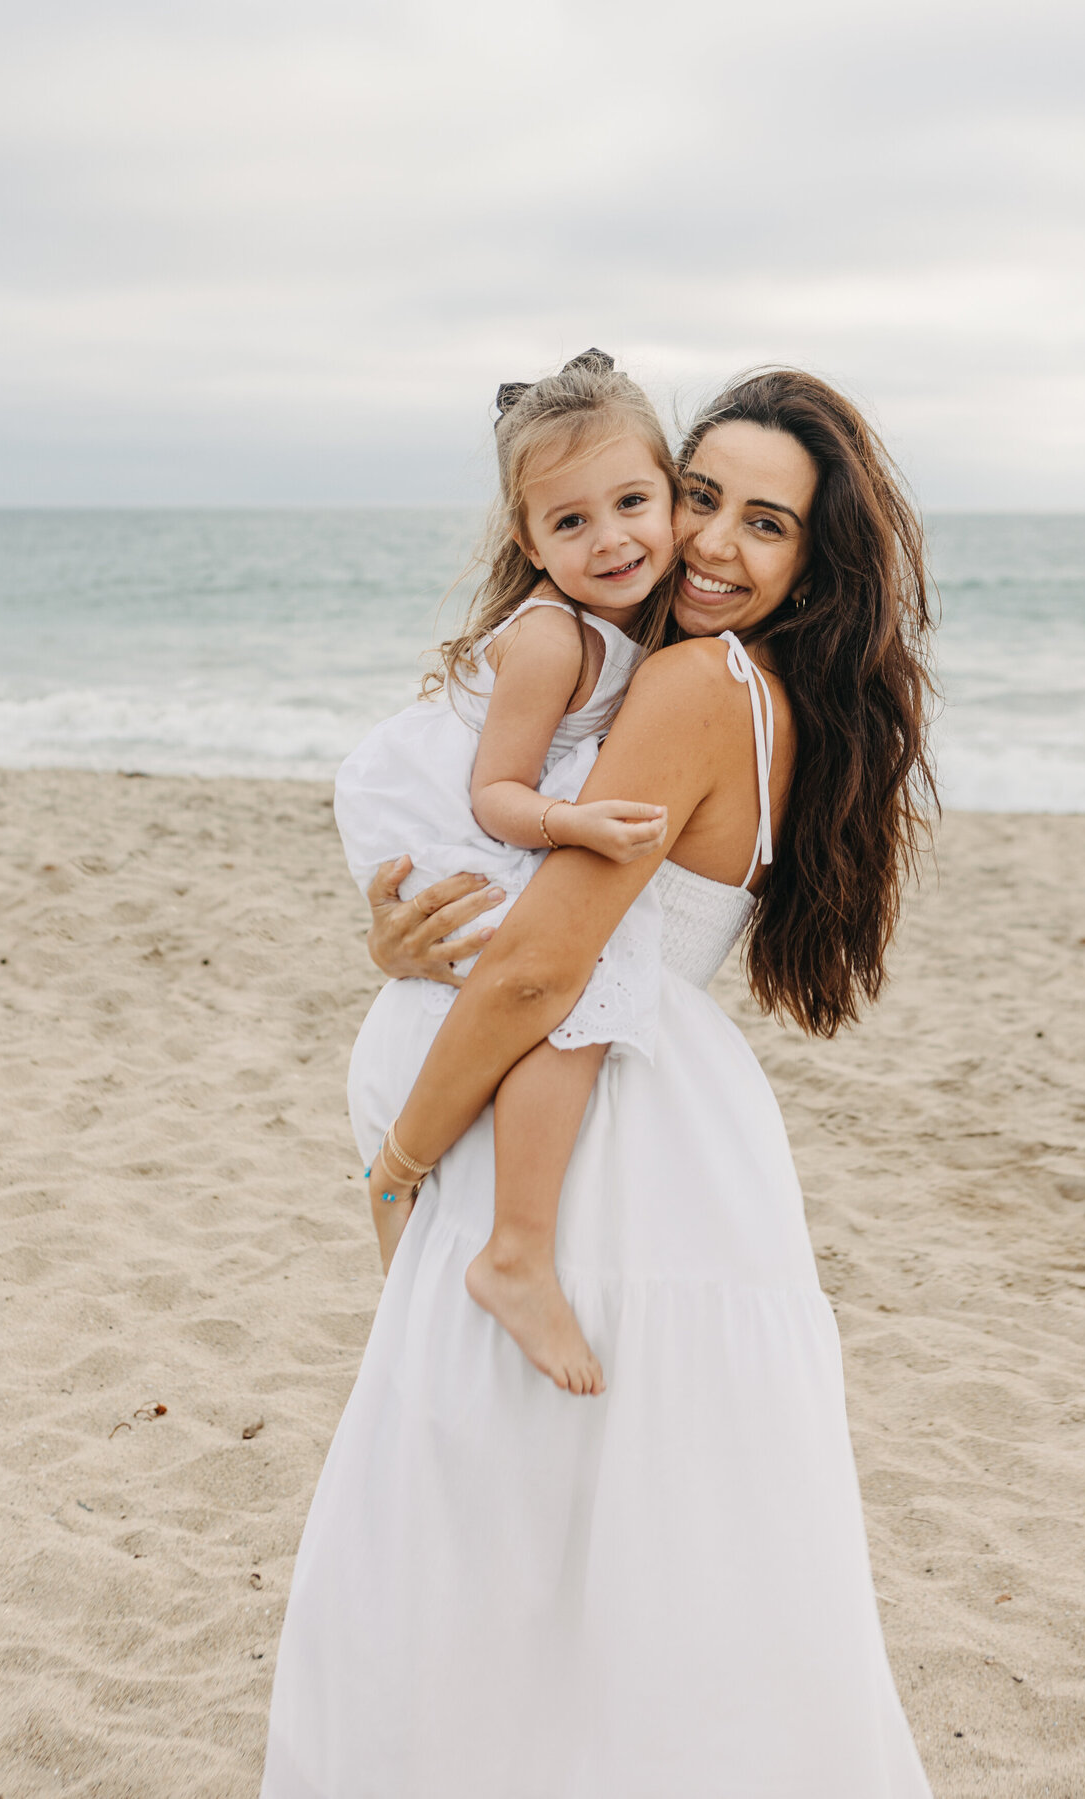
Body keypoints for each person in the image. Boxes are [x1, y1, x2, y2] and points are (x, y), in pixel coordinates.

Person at [260, 367, 938, 1798]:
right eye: (700, 497)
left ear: (818, 562)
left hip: (588, 1149)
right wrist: (407, 932)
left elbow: (537, 974)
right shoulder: (745, 691)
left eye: (769, 523)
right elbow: (517, 907)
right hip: (676, 1132)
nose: (710, 543)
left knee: (466, 1548)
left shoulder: (691, 680)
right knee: (647, 1563)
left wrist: (396, 1162)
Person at [334, 349, 677, 1394]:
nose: (610, 536)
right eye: (570, 522)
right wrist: (573, 821)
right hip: (473, 834)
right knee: (573, 987)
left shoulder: (630, 628)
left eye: (631, 501)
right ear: (529, 543)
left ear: (674, 496)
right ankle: (514, 1249)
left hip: (501, 830)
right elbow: (497, 793)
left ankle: (420, 1224)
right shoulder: (551, 638)